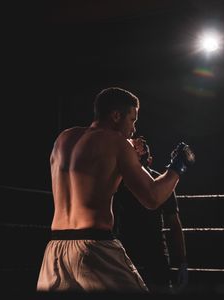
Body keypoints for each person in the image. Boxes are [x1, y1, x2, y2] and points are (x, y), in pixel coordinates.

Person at [37, 87, 195, 292]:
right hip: (94, 248)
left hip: (55, 251)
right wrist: (177, 167)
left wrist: (131, 155)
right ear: (116, 115)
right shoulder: (117, 144)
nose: (134, 129)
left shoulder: (63, 139)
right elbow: (153, 198)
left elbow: (96, 165)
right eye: (132, 120)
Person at [113, 136, 188, 294]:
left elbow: (174, 223)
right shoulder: (161, 182)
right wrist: (181, 262)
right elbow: (174, 224)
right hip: (134, 254)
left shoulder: (160, 182)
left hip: (138, 254)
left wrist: (182, 262)